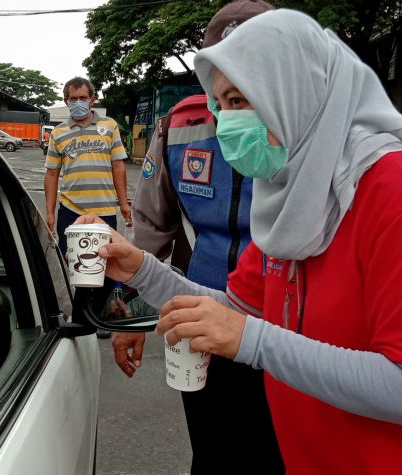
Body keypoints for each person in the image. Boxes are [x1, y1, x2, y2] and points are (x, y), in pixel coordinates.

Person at [78, 9, 402, 474]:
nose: (226, 124)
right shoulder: (295, 201)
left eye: (240, 100)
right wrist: (141, 269)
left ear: (295, 91)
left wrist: (254, 343)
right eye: (220, 106)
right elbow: (235, 311)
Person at [111, 2, 283, 473]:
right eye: (223, 66)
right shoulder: (180, 126)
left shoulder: (302, 127)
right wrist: (132, 310)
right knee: (211, 452)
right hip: (200, 320)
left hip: (287, 330)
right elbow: (151, 228)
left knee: (279, 455)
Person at [44, 77, 131, 255]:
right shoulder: (58, 132)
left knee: (105, 262)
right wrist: (50, 213)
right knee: (72, 263)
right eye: (73, 99)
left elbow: (118, 166)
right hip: (70, 210)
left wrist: (123, 203)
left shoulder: (109, 126)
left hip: (104, 210)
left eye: (83, 98)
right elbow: (52, 174)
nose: (78, 102)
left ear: (92, 99)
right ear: (66, 101)